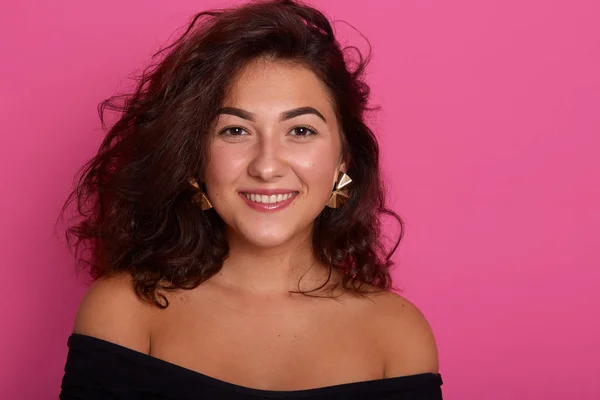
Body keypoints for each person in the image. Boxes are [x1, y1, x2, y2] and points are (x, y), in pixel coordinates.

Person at [58, 0, 443, 398]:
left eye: (301, 131)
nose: (266, 166)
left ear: (342, 159)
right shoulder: (124, 313)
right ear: (195, 158)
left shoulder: (397, 336)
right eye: (235, 131)